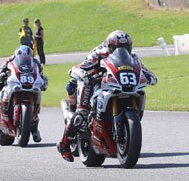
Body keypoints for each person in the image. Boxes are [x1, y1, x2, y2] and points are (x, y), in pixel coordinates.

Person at [57, 31, 157, 161]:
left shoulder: (133, 57)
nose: (122, 51)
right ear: (110, 47)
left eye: (126, 48)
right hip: (93, 83)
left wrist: (150, 76)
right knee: (81, 114)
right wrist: (82, 74)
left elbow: (143, 70)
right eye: (117, 48)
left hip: (117, 84)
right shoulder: (99, 53)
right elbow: (77, 68)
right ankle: (64, 145)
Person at [0, 45, 47, 143]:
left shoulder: (36, 63)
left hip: (30, 85)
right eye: (23, 56)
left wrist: (44, 80)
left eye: (27, 56)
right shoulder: (10, 60)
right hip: (15, 83)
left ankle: (34, 127)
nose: (25, 58)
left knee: (38, 98)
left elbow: (42, 75)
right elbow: (0, 70)